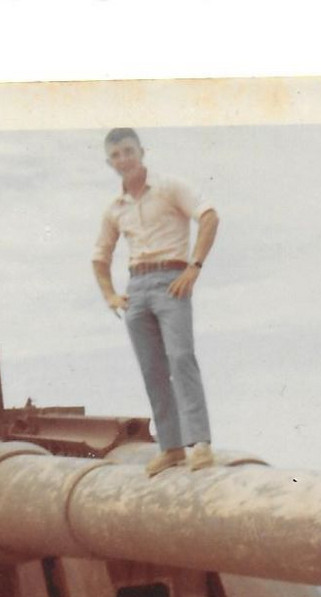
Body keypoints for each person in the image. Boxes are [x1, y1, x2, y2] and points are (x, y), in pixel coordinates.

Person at [92, 128, 219, 477]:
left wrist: (194, 267)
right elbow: (99, 257)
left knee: (181, 357)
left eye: (129, 152)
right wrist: (110, 295)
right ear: (109, 162)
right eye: (116, 155)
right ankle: (171, 447)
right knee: (152, 370)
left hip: (171, 281)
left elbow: (208, 216)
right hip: (136, 287)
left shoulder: (169, 187)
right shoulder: (114, 208)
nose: (124, 160)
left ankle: (200, 444)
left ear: (142, 152)